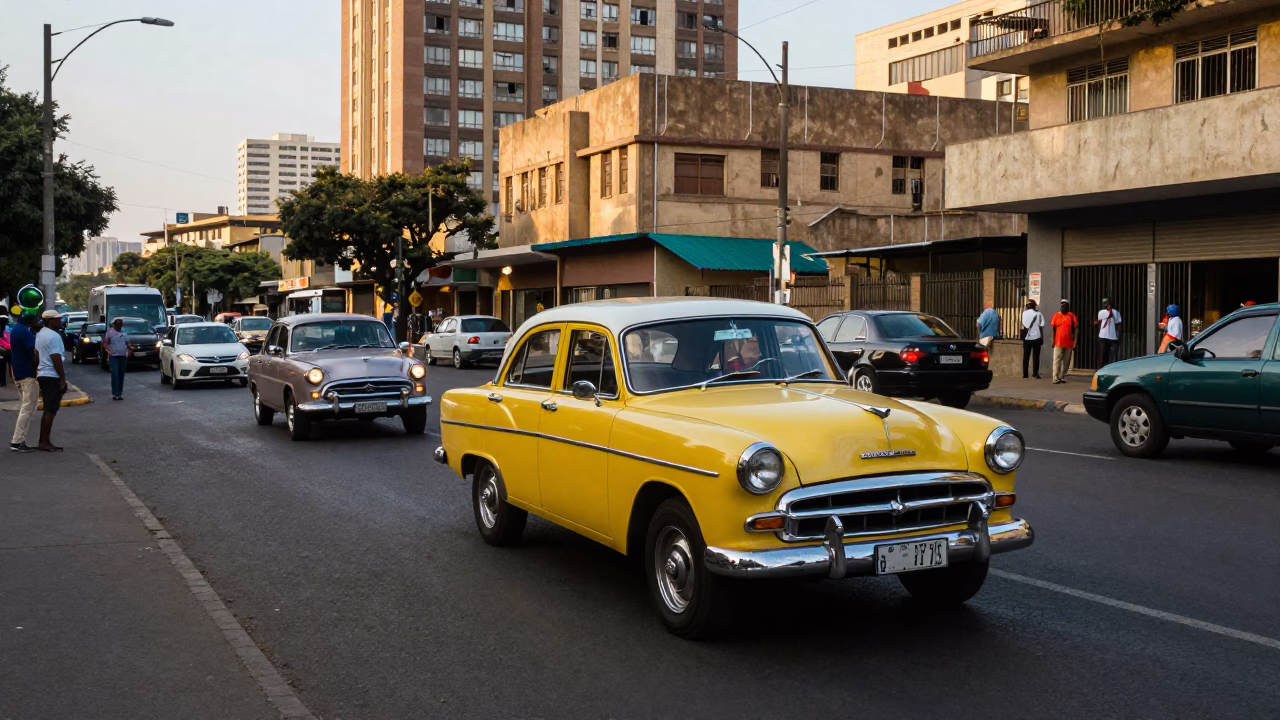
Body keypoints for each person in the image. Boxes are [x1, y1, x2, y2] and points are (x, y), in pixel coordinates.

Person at [34, 310, 68, 452]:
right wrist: (62, 378)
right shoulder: (54, 336)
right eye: (58, 319)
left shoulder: (40, 334)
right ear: (50, 320)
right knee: (51, 410)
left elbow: (35, 355)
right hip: (52, 375)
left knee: (48, 409)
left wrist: (36, 371)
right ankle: (44, 442)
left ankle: (43, 441)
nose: (60, 321)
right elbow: (56, 358)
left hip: (42, 374)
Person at [8, 314, 40, 452]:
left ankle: (19, 440)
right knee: (27, 408)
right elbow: (33, 352)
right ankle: (17, 441)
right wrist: (37, 367)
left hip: (18, 372)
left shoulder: (15, 330)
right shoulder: (25, 332)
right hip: (27, 374)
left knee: (25, 407)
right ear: (30, 321)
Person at [1050, 299, 1079, 384]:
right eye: (1062, 305)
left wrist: (1075, 341)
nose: (1064, 307)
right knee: (1056, 360)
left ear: (1068, 306)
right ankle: (1055, 377)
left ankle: (1062, 376)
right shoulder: (1056, 315)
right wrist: (1052, 340)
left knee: (1066, 362)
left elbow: (1076, 329)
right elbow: (1053, 329)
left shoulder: (1071, 315)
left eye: (1065, 305)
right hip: (1058, 342)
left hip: (1069, 343)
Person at [104, 317, 130, 400]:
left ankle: (119, 393)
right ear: (114, 325)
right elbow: (105, 342)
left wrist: (129, 350)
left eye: (121, 325)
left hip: (122, 356)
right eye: (118, 325)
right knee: (114, 374)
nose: (119, 326)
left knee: (121, 374)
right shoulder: (110, 332)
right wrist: (108, 350)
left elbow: (127, 343)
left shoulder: (124, 332)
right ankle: (115, 393)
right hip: (113, 356)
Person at [1020, 300, 1045, 379]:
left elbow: (1023, 323)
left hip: (1027, 337)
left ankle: (1025, 374)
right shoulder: (1039, 314)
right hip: (1036, 337)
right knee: (1036, 356)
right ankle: (1035, 374)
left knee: (1026, 356)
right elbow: (1042, 325)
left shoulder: (1024, 313)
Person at [1095, 298, 1122, 366]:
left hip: (1113, 337)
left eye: (1106, 303)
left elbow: (1118, 324)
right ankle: (1102, 368)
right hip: (1103, 336)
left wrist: (1118, 335)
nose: (1105, 304)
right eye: (1103, 303)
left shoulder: (1115, 312)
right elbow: (1099, 322)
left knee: (1113, 356)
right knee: (1103, 355)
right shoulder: (1101, 312)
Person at [0, 311, 10, 387]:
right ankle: (3, 382)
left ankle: (3, 382)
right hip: (5, 350)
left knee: (2, 367)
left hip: (5, 350)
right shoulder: (9, 328)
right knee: (3, 367)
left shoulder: (7, 328)